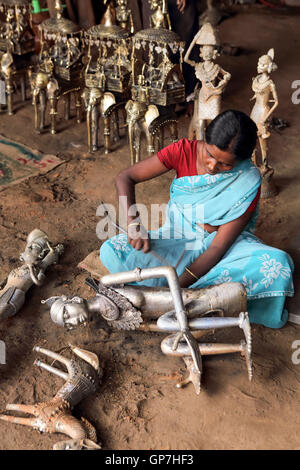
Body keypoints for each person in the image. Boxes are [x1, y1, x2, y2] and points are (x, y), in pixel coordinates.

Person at [100, 110, 294, 328]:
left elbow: (218, 247)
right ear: (205, 139)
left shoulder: (248, 179)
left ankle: (177, 297)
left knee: (277, 264)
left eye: (225, 165)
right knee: (113, 250)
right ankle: (205, 300)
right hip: (178, 238)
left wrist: (178, 286)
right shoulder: (183, 151)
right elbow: (125, 177)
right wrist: (134, 224)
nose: (212, 166)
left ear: (242, 160)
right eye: (209, 155)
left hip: (223, 249)